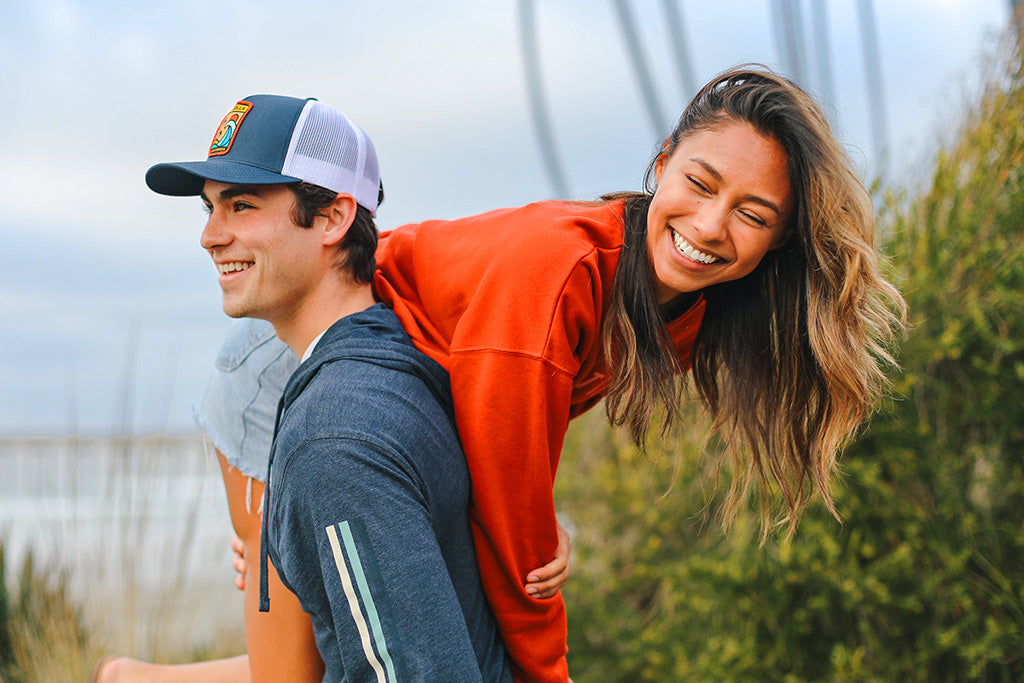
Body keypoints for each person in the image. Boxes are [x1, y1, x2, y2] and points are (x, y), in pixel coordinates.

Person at [99, 64, 906, 682]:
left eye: (753, 214)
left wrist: (539, 519)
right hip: (278, 368)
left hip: (377, 378)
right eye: (700, 184)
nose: (711, 224)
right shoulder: (562, 273)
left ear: (777, 241)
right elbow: (509, 502)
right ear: (662, 163)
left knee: (319, 649)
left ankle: (137, 677)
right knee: (292, 671)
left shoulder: (672, 309)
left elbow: (518, 435)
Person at [148, 94, 515, 681]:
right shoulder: (401, 351)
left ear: (334, 217)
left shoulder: (332, 440)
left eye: (241, 206)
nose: (210, 236)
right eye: (209, 208)